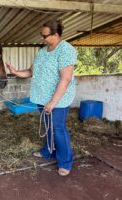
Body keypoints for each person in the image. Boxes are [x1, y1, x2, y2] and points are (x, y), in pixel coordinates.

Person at [6, 19, 77, 176]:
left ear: (56, 34)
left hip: (58, 100)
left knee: (58, 129)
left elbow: (65, 79)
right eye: (41, 35)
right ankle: (48, 151)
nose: (42, 39)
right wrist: (16, 71)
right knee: (48, 126)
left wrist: (53, 101)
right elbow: (31, 71)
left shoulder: (66, 50)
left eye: (45, 36)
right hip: (42, 98)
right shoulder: (42, 51)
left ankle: (65, 162)